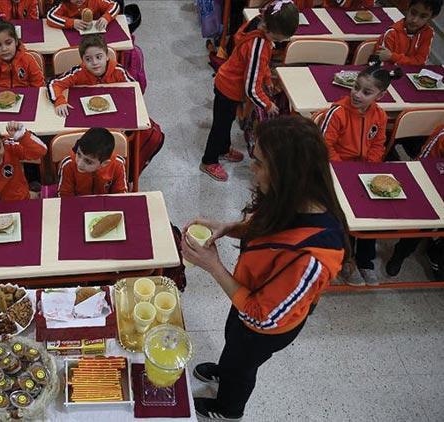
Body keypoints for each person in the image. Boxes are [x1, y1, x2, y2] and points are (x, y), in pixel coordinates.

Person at [182, 115, 348, 420]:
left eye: (257, 163)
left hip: (266, 325)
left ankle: (228, 409)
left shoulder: (315, 255)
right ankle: (225, 370)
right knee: (234, 343)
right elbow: (264, 226)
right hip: (247, 297)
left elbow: (263, 316)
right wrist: (227, 227)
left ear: (286, 174)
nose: (251, 168)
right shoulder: (287, 198)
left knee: (243, 364)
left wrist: (213, 266)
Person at [319, 60, 402, 286]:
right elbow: (325, 146)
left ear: (380, 95)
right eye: (356, 87)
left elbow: (378, 143)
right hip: (335, 171)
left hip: (363, 172)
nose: (357, 94)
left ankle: (366, 261)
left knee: (371, 213)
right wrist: (346, 170)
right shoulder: (337, 113)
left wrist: (370, 167)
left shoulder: (380, 116)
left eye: (367, 92)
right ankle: (347, 259)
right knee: (344, 216)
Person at [200, 0, 297, 182]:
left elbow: (261, 66)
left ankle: (223, 148)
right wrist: (267, 105)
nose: (278, 42)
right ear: (269, 30)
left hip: (230, 85)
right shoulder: (258, 46)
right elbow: (251, 87)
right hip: (228, 88)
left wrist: (267, 78)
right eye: (277, 39)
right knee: (219, 126)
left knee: (227, 121)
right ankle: (209, 160)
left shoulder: (259, 24)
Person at [386, 124, 444, 277]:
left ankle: (437, 252)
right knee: (424, 220)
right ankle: (400, 254)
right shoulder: (442, 135)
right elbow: (422, 164)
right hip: (434, 183)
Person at [48, 34, 134, 117]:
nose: (94, 63)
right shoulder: (78, 72)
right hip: (84, 112)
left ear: (107, 56)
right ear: (83, 61)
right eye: (88, 59)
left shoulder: (119, 71)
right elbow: (53, 83)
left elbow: (133, 90)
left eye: (99, 57)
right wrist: (59, 101)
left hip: (113, 111)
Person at [0, 20, 45, 91]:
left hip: (25, 97)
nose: (4, 49)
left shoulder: (28, 59)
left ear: (16, 42)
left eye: (8, 43)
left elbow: (39, 86)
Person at [58, 127, 127, 197]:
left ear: (104, 163)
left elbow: (120, 196)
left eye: (88, 161)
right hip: (77, 205)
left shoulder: (117, 165)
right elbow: (65, 196)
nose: (79, 164)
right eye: (79, 154)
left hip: (106, 206)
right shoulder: (68, 164)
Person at [374, 0, 441, 66]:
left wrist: (393, 57)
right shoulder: (392, 33)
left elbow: (420, 61)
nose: (415, 20)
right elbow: (384, 64)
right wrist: (411, 61)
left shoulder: (428, 33)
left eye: (423, 16)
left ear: (432, 17)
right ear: (408, 7)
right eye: (413, 13)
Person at [47, 0, 120, 30]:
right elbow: (50, 16)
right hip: (71, 38)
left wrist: (106, 18)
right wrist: (72, 23)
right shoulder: (63, 4)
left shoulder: (95, 1)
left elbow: (115, 5)